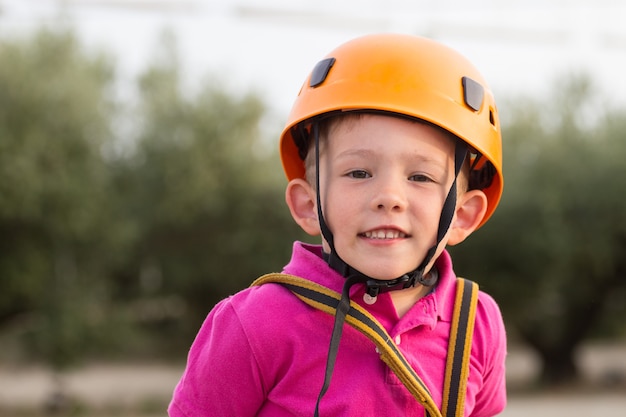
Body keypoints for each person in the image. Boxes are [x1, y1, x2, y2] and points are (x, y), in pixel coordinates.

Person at [169, 33, 506, 417]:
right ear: (309, 204)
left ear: (463, 215)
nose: (389, 197)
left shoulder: (475, 321)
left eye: (421, 177)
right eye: (359, 172)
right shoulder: (253, 325)